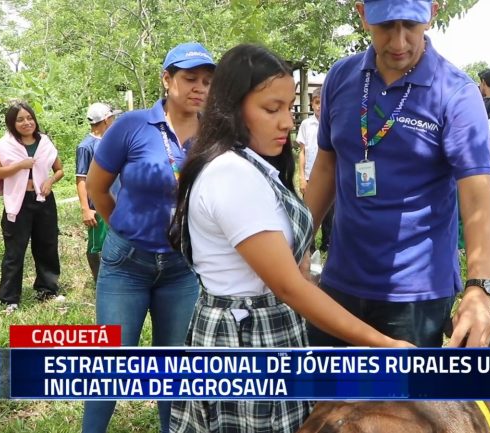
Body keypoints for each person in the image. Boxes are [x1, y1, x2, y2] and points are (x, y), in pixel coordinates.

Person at [167, 43, 411, 433]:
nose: (286, 123)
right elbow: (289, 286)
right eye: (270, 109)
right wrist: (381, 342)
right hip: (245, 340)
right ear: (231, 108)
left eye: (288, 109)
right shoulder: (231, 175)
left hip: (268, 329)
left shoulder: (252, 165)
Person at [303, 0, 490, 349]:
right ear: (362, 14)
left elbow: (477, 194)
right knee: (326, 401)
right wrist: (298, 246)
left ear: (433, 13)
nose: (398, 42)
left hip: (415, 295)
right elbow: (326, 167)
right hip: (339, 284)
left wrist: (480, 288)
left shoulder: (455, 92)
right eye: (386, 26)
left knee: (399, 404)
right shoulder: (341, 78)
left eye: (410, 25)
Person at [82, 42, 215, 433]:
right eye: (190, 78)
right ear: (167, 79)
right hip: (127, 266)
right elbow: (96, 186)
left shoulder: (214, 133)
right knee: (110, 368)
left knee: (172, 373)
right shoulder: (131, 126)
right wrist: (123, 228)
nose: (199, 88)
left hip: (181, 269)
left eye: (207, 81)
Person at [0, 102, 65, 313]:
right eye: (20, 119)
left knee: (47, 245)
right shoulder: (4, 145)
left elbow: (59, 170)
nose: (26, 122)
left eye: (29, 118)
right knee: (15, 250)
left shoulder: (44, 142)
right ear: (12, 123)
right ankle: (9, 298)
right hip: (18, 202)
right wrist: (19, 165)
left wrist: (50, 181)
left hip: (43, 200)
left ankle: (47, 290)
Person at [75, 102, 121, 281]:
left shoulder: (113, 141)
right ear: (106, 120)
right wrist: (86, 208)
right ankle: (99, 280)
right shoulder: (86, 146)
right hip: (98, 205)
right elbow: (81, 178)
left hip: (118, 202)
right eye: (112, 117)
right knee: (97, 245)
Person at [297, 86, 333, 251]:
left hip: (328, 175)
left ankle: (327, 243)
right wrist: (302, 177)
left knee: (330, 213)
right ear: (312, 104)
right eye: (317, 102)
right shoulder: (306, 124)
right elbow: (302, 151)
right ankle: (308, 246)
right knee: (308, 211)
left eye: (322, 102)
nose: (319, 106)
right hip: (310, 175)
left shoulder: (332, 121)